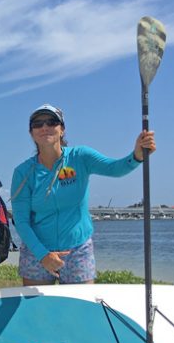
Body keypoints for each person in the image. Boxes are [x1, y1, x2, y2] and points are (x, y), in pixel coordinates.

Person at [10, 104, 157, 285]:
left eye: (52, 122)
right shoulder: (23, 172)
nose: (45, 127)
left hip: (77, 250)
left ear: (62, 129)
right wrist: (42, 255)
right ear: (31, 133)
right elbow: (21, 221)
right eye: (38, 124)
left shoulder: (80, 157)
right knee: (37, 311)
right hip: (36, 250)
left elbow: (115, 168)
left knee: (80, 309)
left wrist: (136, 156)